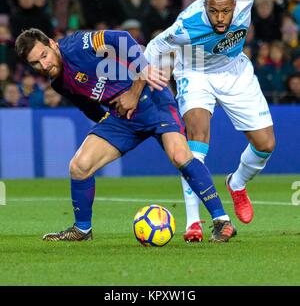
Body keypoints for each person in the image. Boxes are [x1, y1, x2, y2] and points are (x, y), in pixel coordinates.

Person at [15, 28, 236, 243]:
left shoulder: (79, 45)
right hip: (122, 116)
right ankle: (82, 229)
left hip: (152, 100)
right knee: (79, 166)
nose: (43, 65)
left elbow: (121, 38)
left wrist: (135, 86)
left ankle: (221, 220)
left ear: (52, 44)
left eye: (44, 55)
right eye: (35, 63)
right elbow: (87, 106)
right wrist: (106, 123)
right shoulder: (59, 82)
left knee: (179, 155)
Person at [144, 0, 288, 242]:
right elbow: (154, 47)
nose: (220, 18)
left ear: (236, 4)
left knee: (266, 144)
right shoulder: (187, 25)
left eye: (225, 11)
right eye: (213, 11)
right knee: (196, 139)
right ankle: (194, 222)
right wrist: (145, 77)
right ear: (205, 6)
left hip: (235, 71)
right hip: (195, 71)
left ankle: (237, 184)